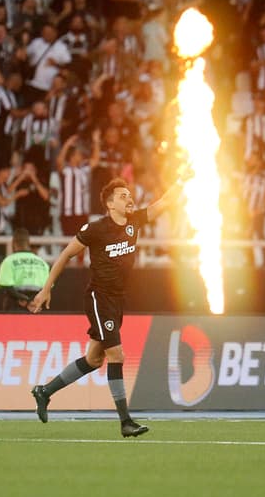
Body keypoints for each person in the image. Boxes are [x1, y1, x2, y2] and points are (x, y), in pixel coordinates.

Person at [28, 174, 187, 437]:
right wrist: (47, 289)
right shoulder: (96, 228)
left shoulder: (135, 222)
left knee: (94, 359)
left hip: (117, 300)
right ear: (110, 205)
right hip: (98, 297)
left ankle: (44, 392)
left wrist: (182, 179)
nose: (130, 199)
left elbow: (164, 203)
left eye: (130, 195)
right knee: (117, 356)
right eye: (123, 196)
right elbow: (66, 254)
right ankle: (125, 422)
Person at [0, 228, 50, 310]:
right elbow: (47, 290)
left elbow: (7, 288)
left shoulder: (8, 261)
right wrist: (32, 303)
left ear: (13, 243)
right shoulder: (43, 263)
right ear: (29, 243)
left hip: (16, 308)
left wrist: (26, 302)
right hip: (37, 308)